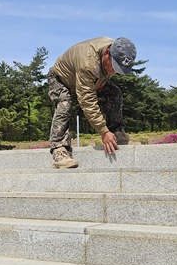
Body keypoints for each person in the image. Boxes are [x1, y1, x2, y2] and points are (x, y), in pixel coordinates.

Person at [47, 36, 136, 168]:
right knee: (64, 103)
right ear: (107, 53)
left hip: (89, 80)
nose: (114, 71)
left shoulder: (115, 50)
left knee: (113, 92)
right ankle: (59, 149)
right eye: (114, 66)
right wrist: (103, 131)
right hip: (61, 79)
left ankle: (116, 133)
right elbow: (87, 100)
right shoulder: (87, 63)